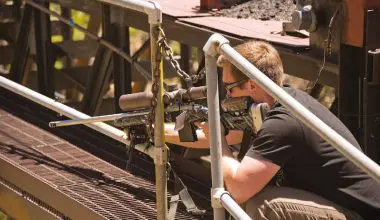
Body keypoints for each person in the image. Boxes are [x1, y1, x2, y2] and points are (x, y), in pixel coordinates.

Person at [165, 40, 380, 219]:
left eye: (230, 88)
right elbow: (225, 135)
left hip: (361, 215)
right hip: (345, 205)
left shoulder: (283, 123)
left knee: (264, 205)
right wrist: (160, 132)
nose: (227, 97)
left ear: (251, 85)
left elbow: (239, 189)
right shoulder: (282, 101)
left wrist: (217, 140)